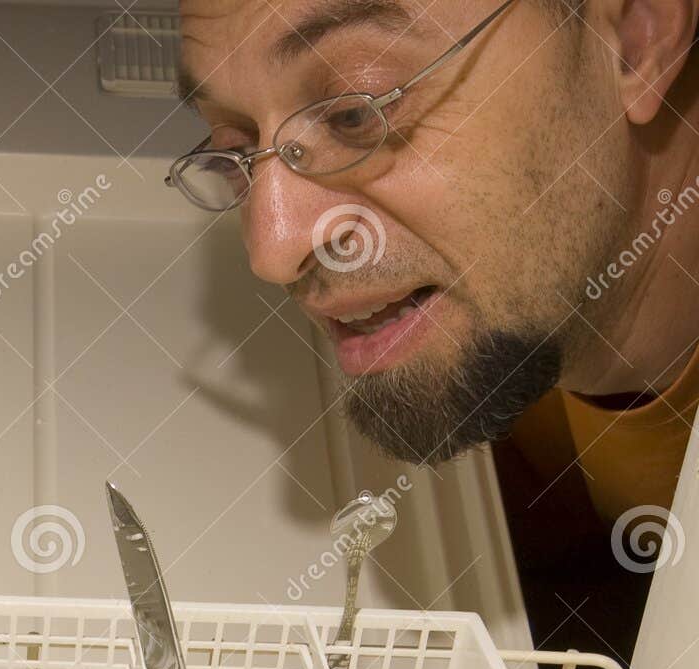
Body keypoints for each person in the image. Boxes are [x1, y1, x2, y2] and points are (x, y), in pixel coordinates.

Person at [169, 0, 699, 541]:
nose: (272, 250)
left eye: (355, 111)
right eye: (233, 149)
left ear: (636, 40)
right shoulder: (521, 313)